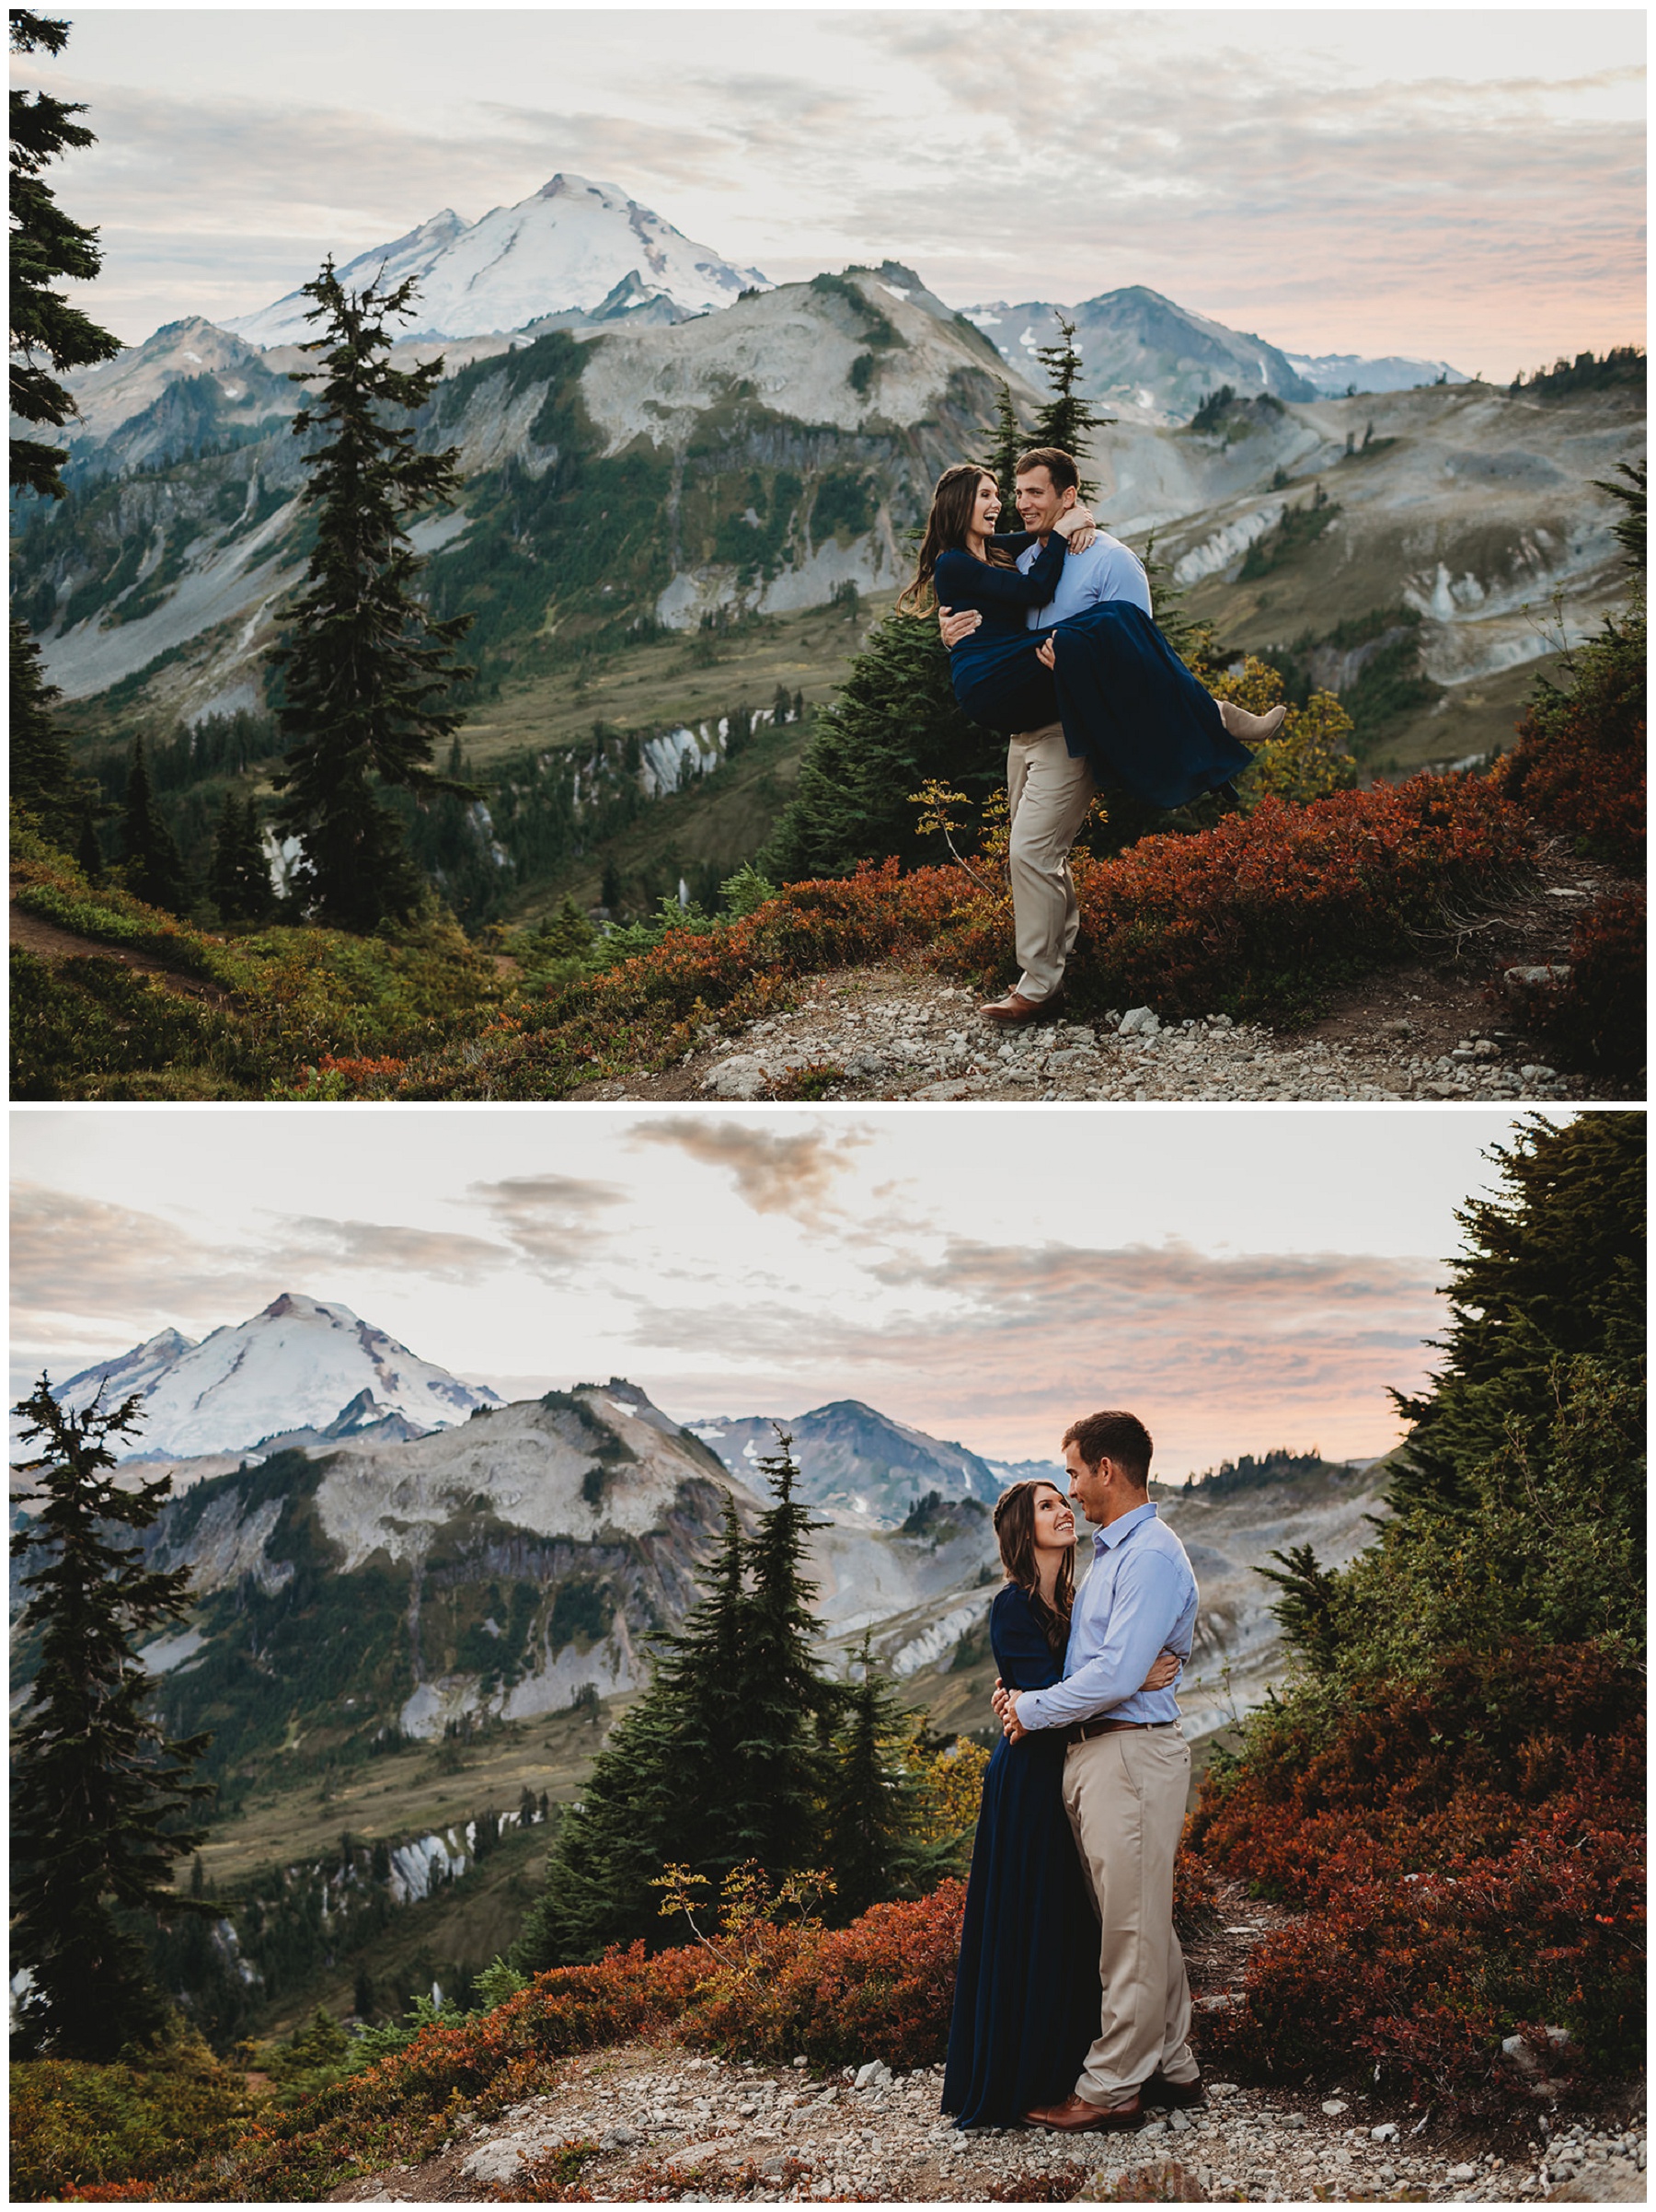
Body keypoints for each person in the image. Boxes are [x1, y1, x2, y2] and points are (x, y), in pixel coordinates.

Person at [905, 451, 1283, 1025]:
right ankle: (1059, 965)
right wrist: (952, 628)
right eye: (1001, 493)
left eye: (1031, 494)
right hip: (1016, 718)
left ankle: (1039, 985)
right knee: (1038, 856)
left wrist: (1076, 526)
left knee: (1113, 628)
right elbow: (1019, 588)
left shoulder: (1108, 561)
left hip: (1063, 724)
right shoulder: (1013, 551)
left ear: (1067, 492)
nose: (1012, 503)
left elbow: (1138, 662)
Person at [942, 1479, 1179, 2129]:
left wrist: (1118, 1678)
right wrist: (1128, 1677)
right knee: (1035, 1918)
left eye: (1063, 1500)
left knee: (1078, 1922)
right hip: (1030, 1778)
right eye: (1046, 1505)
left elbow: (1070, 1689)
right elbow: (1051, 1694)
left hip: (1076, 1764)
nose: (1063, 1509)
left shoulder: (1074, 1602)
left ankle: (1086, 2065)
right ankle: (1023, 2075)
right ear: (1024, 1528)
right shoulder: (1012, 1607)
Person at [994, 1411, 1206, 2133]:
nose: (1073, 1490)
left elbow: (1115, 1673)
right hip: (1101, 1751)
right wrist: (1115, 1677)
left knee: (1129, 1932)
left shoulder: (1146, 1555)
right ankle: (1174, 2064)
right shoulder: (1117, 1554)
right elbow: (1112, 1666)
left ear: (1107, 1471)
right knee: (1141, 1921)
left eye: (1076, 1474)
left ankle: (1112, 2086)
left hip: (1128, 1753)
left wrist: (1032, 1706)